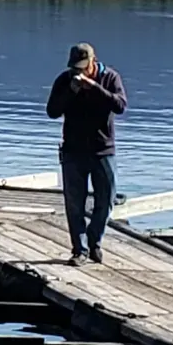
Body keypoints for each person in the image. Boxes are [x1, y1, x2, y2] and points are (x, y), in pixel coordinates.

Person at [46, 42, 127, 265]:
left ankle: (94, 241)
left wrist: (94, 88)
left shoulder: (110, 78)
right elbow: (52, 111)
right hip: (73, 151)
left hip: (103, 151)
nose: (78, 72)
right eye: (75, 68)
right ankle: (79, 250)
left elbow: (120, 105)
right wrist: (71, 92)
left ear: (93, 61)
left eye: (82, 67)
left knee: (107, 199)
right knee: (74, 203)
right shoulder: (64, 80)